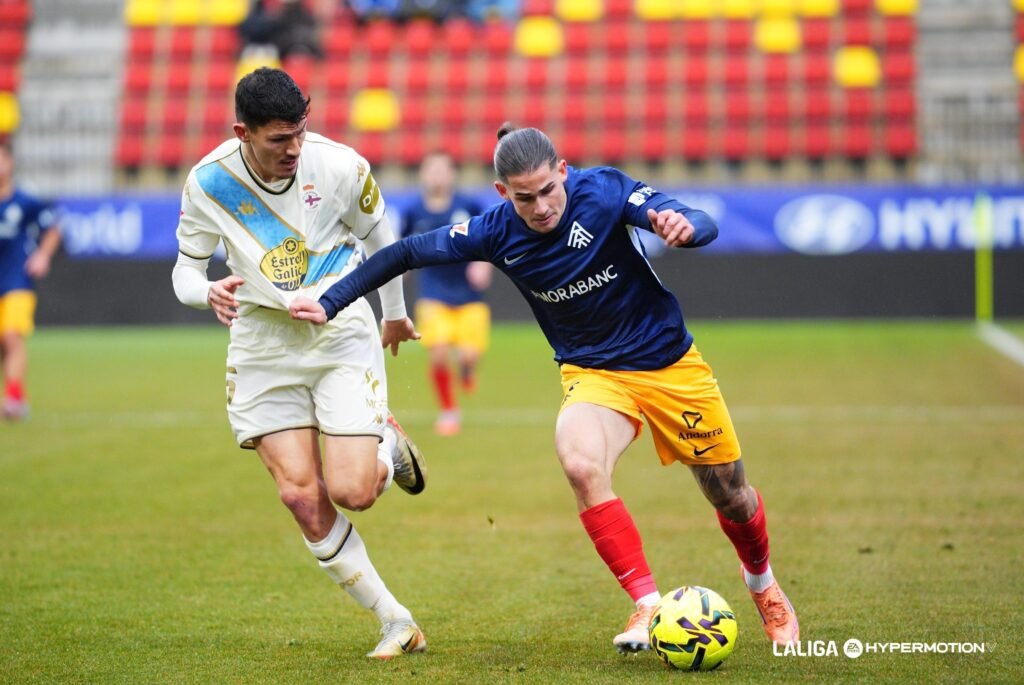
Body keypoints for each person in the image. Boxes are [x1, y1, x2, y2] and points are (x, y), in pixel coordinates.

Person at [290, 123, 801, 652]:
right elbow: (403, 253)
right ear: (502, 194)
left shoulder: (603, 190)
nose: (539, 208)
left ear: (563, 171)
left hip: (670, 364)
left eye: (547, 190)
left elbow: (699, 220)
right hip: (593, 374)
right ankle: (647, 605)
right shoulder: (494, 231)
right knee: (580, 462)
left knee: (730, 495)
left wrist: (685, 227)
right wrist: (329, 303)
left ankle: (762, 583)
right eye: (523, 198)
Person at [171, 67, 428, 659]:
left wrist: (394, 313)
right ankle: (396, 620)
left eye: (300, 133)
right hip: (262, 343)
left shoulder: (339, 166)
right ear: (243, 132)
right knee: (299, 494)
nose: (294, 149)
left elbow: (382, 243)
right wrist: (204, 290)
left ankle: (385, 445)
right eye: (278, 140)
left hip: (338, 332)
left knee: (353, 491)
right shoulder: (209, 183)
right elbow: (186, 268)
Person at [400, 150, 491, 436]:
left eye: (442, 169)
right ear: (423, 174)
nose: (437, 175)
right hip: (433, 292)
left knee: (467, 356)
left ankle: (466, 369)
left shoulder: (468, 204)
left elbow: (487, 239)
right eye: (432, 169)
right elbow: (404, 245)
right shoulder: (414, 212)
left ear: (452, 174)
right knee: (438, 353)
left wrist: (482, 264)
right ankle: (449, 411)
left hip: (468, 296)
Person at [0, 137, 61, 421]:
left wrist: (42, 256)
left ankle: (14, 398)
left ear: (10, 163)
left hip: (16, 281)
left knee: (12, 335)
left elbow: (52, 228)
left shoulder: (25, 201)